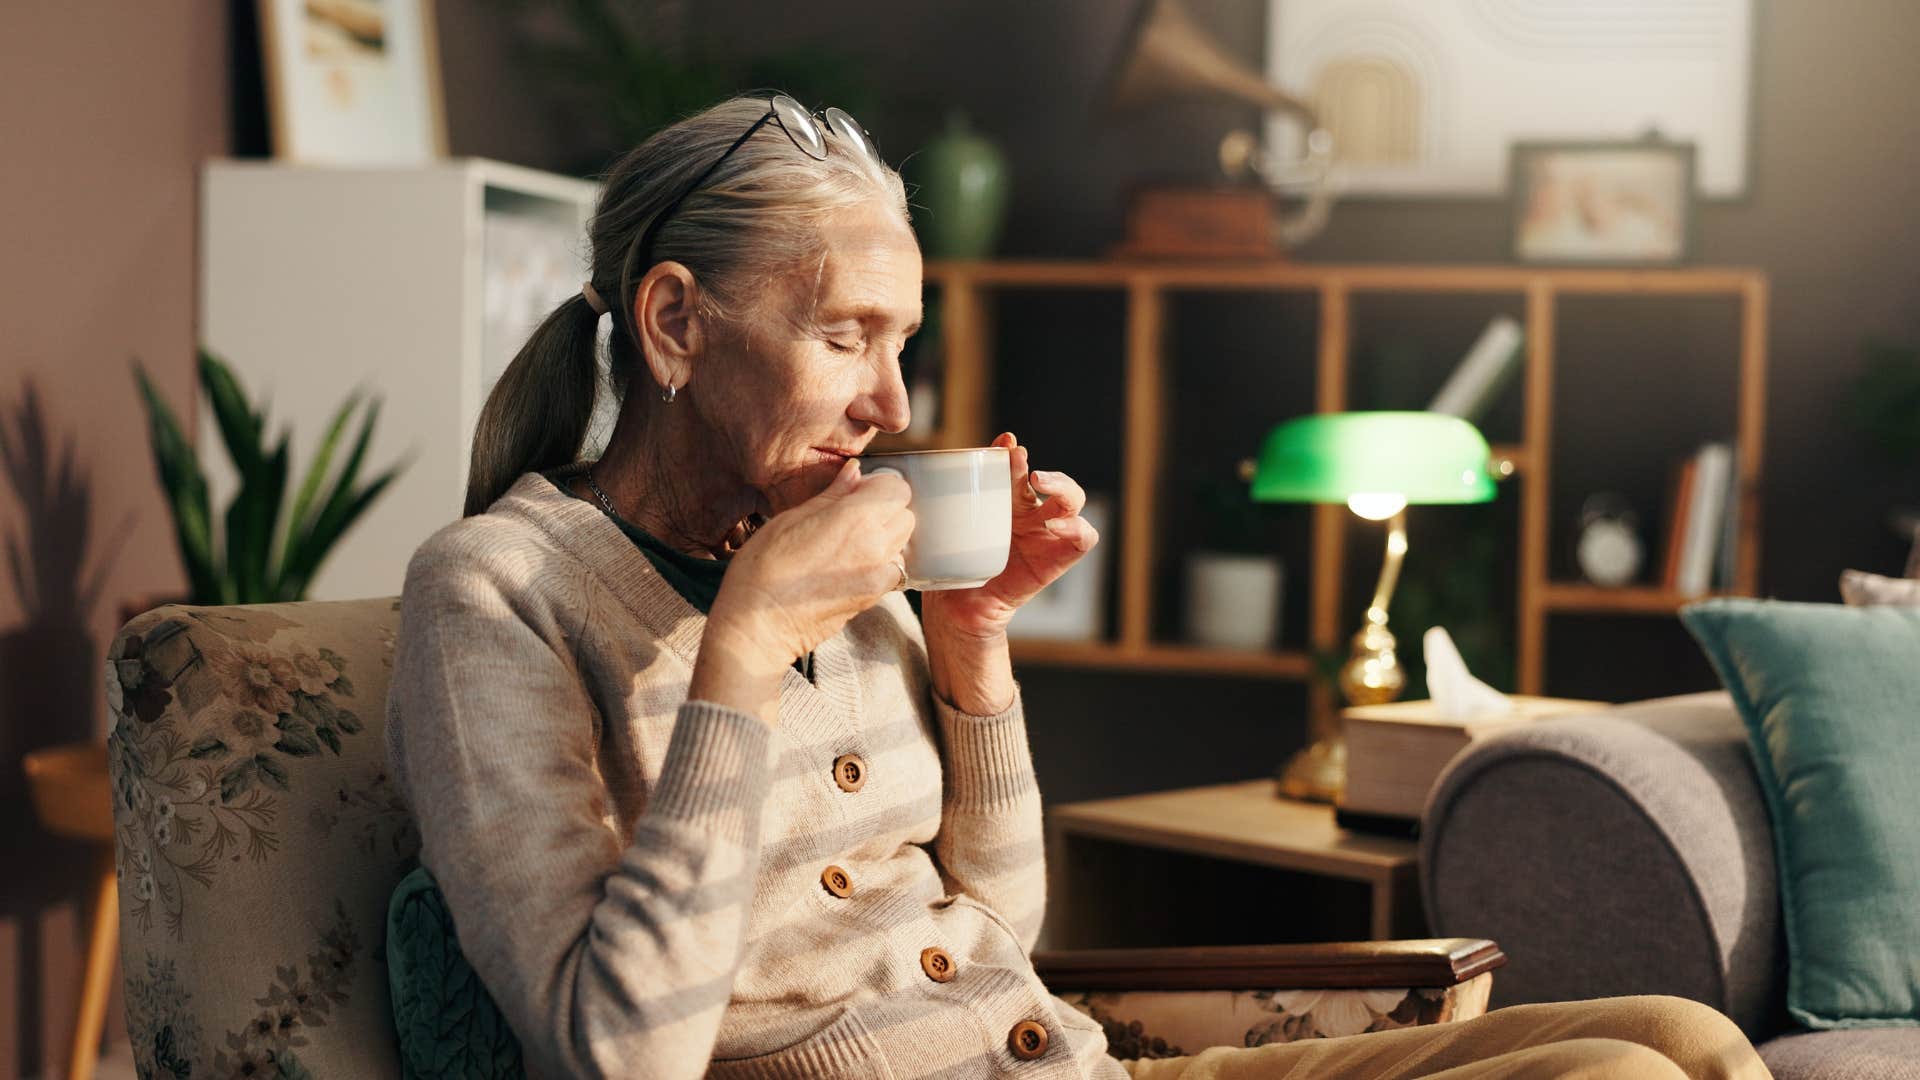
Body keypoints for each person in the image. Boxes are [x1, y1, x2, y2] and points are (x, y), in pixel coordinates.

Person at [385, 92, 1771, 1080]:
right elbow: (615, 1052)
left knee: (1681, 1038)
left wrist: (972, 642)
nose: (892, 402)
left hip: (1067, 1062)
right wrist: (744, 644)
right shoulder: (497, 595)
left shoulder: (824, 525)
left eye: (904, 342)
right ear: (677, 323)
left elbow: (999, 932)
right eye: (846, 336)